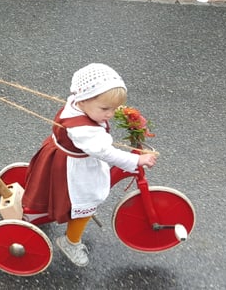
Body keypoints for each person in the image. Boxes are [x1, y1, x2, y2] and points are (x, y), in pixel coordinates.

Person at [20, 63, 158, 267]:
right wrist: (136, 160)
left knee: (51, 186)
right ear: (83, 101)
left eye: (114, 109)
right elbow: (104, 151)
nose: (110, 114)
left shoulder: (77, 102)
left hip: (59, 156)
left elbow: (101, 112)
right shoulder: (84, 130)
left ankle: (37, 210)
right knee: (87, 203)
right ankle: (70, 242)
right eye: (105, 109)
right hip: (75, 169)